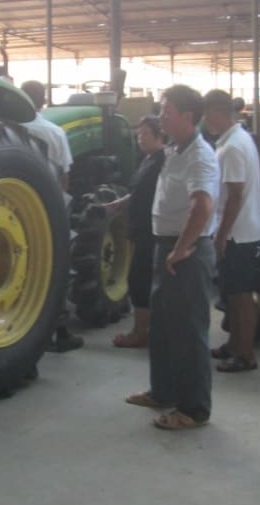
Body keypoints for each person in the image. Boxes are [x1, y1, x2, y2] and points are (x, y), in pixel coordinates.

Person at [124, 84, 218, 430]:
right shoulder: (175, 150)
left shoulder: (199, 155)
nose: (161, 116)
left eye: (167, 111)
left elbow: (203, 205)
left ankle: (193, 410)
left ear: (187, 116)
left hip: (186, 253)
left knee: (188, 331)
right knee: (162, 327)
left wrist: (181, 248)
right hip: (165, 247)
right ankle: (162, 391)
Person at [202, 90, 260, 373]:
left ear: (217, 112)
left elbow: (235, 196)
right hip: (240, 231)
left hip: (237, 234)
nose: (204, 120)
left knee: (240, 296)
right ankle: (234, 344)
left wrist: (221, 235)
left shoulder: (233, 147)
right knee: (232, 293)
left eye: (206, 114)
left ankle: (246, 354)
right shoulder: (236, 140)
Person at [20, 80, 84, 353]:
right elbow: (65, 177)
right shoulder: (54, 132)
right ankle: (60, 331)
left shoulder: (8, 128)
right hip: (48, 206)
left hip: (14, 205)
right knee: (57, 265)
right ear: (43, 101)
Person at [103, 115, 167, 348]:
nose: (140, 139)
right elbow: (141, 192)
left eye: (145, 134)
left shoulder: (163, 161)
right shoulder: (148, 159)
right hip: (139, 227)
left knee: (141, 279)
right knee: (138, 278)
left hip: (152, 230)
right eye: (138, 135)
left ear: (159, 135)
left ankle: (141, 332)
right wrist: (122, 202)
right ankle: (143, 329)